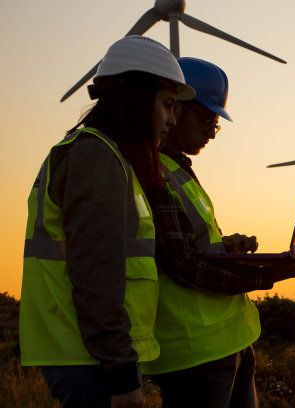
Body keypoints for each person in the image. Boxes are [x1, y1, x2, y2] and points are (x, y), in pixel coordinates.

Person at [19, 35, 195, 408]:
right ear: (135, 97)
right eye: (167, 105)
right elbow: (97, 272)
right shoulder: (96, 158)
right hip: (90, 361)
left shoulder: (102, 156)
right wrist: (120, 370)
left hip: (88, 355)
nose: (172, 120)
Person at [141, 57, 295, 408]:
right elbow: (180, 263)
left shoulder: (179, 170)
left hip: (229, 342)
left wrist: (226, 246)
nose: (210, 132)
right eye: (207, 120)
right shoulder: (153, 172)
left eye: (216, 125)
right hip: (194, 353)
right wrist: (265, 275)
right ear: (174, 106)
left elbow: (193, 245)